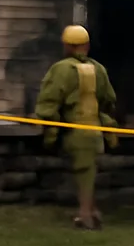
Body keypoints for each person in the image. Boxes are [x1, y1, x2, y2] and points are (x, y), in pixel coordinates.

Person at [35, 24, 118, 230]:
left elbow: (50, 101)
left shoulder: (62, 69)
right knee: (89, 173)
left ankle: (85, 216)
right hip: (96, 131)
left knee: (83, 174)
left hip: (75, 132)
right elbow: (109, 100)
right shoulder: (99, 69)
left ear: (67, 46)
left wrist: (50, 132)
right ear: (86, 46)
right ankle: (93, 211)